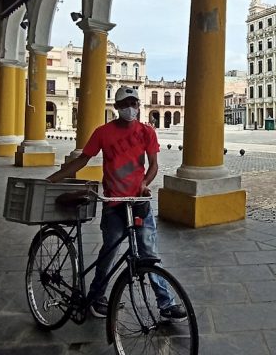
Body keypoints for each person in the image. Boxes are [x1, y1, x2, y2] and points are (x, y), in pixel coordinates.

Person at [47, 86, 187, 321]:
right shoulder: (103, 132)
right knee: (109, 252)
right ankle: (96, 296)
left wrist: (145, 183)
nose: (131, 108)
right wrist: (53, 179)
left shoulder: (146, 132)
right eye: (126, 104)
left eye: (135, 104)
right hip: (113, 203)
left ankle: (166, 304)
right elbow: (82, 160)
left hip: (139, 202)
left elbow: (153, 165)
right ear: (117, 108)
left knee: (149, 254)